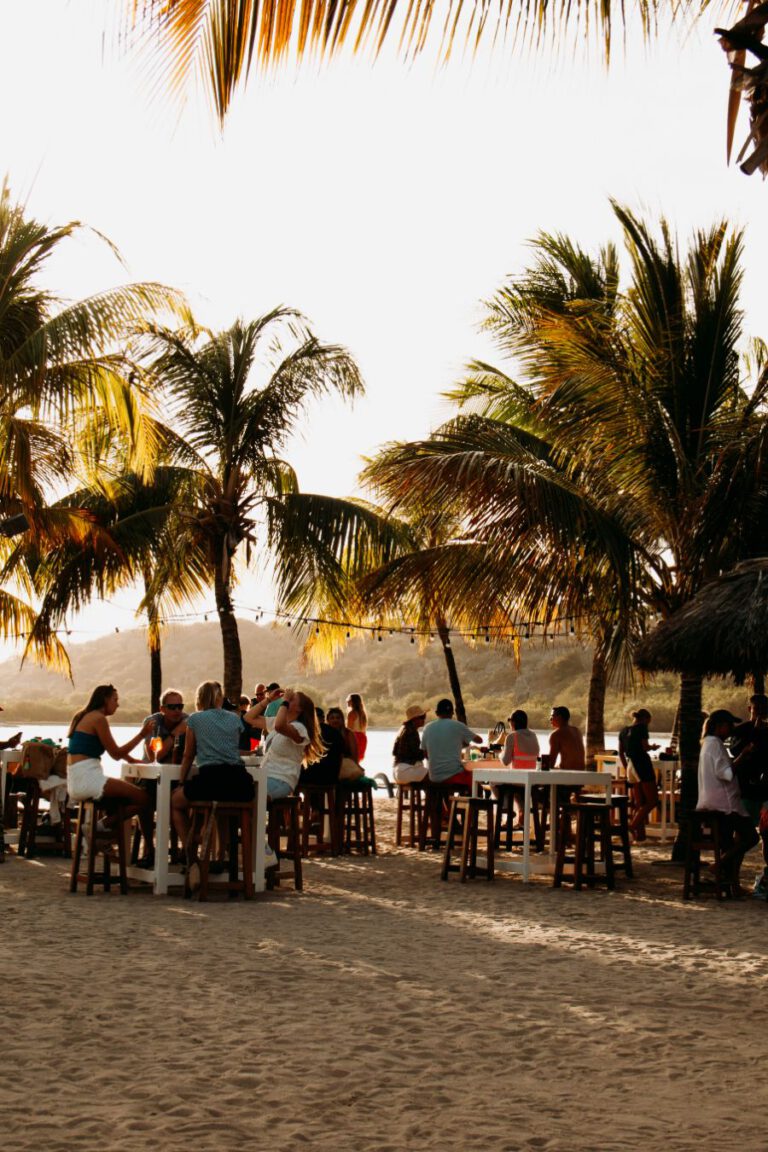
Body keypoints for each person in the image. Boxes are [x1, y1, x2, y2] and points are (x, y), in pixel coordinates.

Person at [171, 680, 254, 849]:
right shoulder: (234, 718)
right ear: (219, 698)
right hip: (239, 783)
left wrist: (180, 782)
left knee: (175, 802)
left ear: (200, 698)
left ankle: (190, 852)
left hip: (211, 780)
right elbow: (233, 749)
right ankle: (221, 856)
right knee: (220, 809)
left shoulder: (195, 719)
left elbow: (188, 754)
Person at [66, 684, 152, 831]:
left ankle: (101, 838)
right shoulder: (99, 719)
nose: (118, 704)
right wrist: (142, 735)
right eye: (115, 700)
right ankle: (99, 827)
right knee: (145, 799)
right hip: (89, 779)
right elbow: (116, 754)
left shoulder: (83, 715)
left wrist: (132, 761)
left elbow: (110, 747)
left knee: (122, 801)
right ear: (105, 699)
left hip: (75, 781)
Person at [697, 708, 759, 894]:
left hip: (712, 801)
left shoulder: (708, 743)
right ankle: (719, 864)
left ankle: (732, 883)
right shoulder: (715, 744)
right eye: (729, 726)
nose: (731, 729)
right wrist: (744, 755)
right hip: (724, 804)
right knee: (751, 837)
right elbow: (726, 774)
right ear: (719, 726)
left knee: (731, 844)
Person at [246, 689, 324, 797]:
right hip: (264, 775)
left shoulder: (300, 729)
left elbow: (280, 727)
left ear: (299, 709)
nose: (285, 700)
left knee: (250, 795)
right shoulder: (276, 721)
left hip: (281, 780)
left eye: (291, 700)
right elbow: (248, 717)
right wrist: (268, 699)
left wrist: (285, 701)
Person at [420, 698, 482, 787]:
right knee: (476, 783)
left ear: (437, 713)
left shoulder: (427, 728)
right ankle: (474, 799)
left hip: (433, 776)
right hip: (453, 774)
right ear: (452, 713)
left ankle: (450, 799)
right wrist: (464, 735)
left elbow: (425, 754)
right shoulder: (458, 726)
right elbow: (479, 740)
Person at [620, 708, 660, 843]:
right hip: (642, 764)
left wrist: (626, 768)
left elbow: (621, 753)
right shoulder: (642, 727)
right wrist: (653, 747)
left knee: (640, 802)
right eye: (648, 722)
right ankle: (632, 826)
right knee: (652, 800)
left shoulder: (623, 731)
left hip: (630, 765)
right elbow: (644, 747)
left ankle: (640, 837)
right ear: (645, 719)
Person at [497, 709, 540, 825]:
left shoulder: (512, 736)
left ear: (514, 722)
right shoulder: (534, 735)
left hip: (518, 779)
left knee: (493, 782)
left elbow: (505, 761)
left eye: (510, 720)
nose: (509, 723)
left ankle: (507, 810)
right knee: (516, 790)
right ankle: (521, 815)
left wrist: (499, 752)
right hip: (532, 780)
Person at [299, 707, 343, 787]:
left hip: (308, 777)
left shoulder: (306, 732)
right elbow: (340, 756)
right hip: (330, 778)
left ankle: (300, 798)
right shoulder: (336, 733)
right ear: (323, 719)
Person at [143, 688, 188, 764]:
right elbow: (154, 758)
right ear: (162, 709)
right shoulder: (152, 722)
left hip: (176, 771)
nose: (177, 710)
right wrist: (176, 732)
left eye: (180, 706)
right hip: (152, 770)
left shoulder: (187, 721)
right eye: (172, 707)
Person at [392, 705, 429, 783]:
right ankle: (432, 795)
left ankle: (430, 795)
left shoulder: (404, 729)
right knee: (434, 778)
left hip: (397, 771)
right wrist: (427, 752)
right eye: (422, 717)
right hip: (407, 770)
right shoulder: (412, 732)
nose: (424, 719)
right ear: (414, 719)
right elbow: (417, 754)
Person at [326, 707, 364, 780]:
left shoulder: (349, 734)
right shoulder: (324, 733)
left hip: (346, 763)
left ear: (342, 720)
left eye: (338, 718)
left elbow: (354, 755)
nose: (335, 720)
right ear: (328, 720)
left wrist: (355, 765)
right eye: (332, 718)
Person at [548, 706, 585, 771]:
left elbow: (550, 763)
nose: (550, 719)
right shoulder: (577, 731)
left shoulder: (556, 735)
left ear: (559, 717)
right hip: (582, 772)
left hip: (568, 774)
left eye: (552, 716)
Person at [346, 693, 368, 762]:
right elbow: (364, 730)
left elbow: (349, 730)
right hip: (363, 737)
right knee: (357, 761)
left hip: (354, 737)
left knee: (351, 760)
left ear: (353, 702)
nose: (347, 701)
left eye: (349, 700)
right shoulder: (362, 713)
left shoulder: (352, 713)